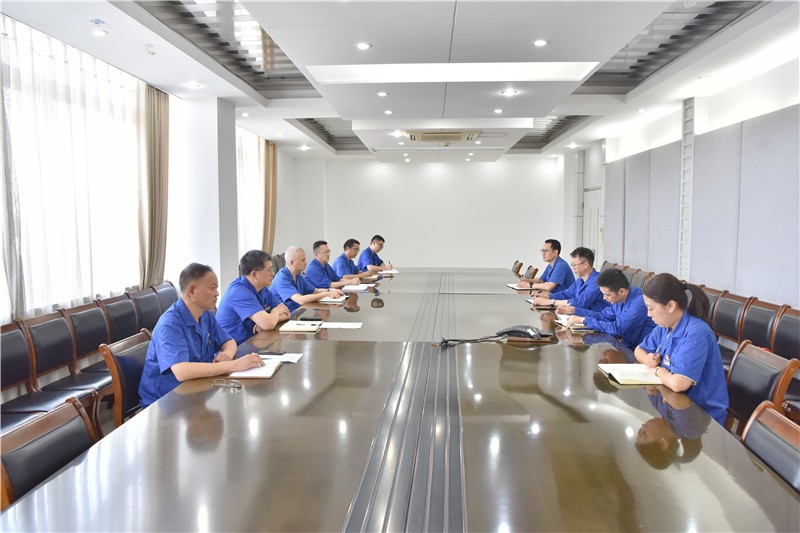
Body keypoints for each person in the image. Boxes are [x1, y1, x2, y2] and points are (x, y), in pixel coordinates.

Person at [138, 263, 266, 408]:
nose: (217, 293)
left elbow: (229, 341)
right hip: (166, 402)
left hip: (197, 389)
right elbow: (182, 371)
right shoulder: (170, 324)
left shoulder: (205, 315)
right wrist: (234, 365)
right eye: (212, 288)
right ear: (192, 290)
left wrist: (227, 355)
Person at [634, 273, 728, 426]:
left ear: (670, 306)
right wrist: (648, 360)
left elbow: (679, 384)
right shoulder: (665, 326)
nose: (648, 314)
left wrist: (657, 370)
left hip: (700, 418)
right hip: (673, 407)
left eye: (651, 308)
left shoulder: (696, 334)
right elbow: (639, 350)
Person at [566, 268, 655, 350]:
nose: (604, 298)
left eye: (607, 295)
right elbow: (602, 316)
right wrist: (576, 311)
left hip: (640, 353)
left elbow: (617, 329)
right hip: (625, 346)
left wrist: (585, 320)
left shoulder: (640, 302)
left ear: (621, 291)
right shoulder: (619, 300)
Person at [216, 250, 290, 344]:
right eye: (269, 270)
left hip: (252, 341)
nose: (273, 273)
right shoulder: (239, 292)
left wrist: (269, 319)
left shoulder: (262, 288)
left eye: (272, 269)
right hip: (233, 348)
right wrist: (274, 313)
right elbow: (268, 324)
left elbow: (287, 313)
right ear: (254, 274)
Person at [530, 247, 607, 314]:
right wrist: (548, 296)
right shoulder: (580, 280)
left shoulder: (597, 281)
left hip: (595, 320)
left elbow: (581, 303)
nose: (573, 268)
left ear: (585, 264)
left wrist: (551, 302)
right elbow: (567, 293)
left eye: (574, 265)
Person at [270, 246, 344, 312]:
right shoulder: (282, 278)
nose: (306, 263)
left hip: (296, 313)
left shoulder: (298, 276)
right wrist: (327, 294)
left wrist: (330, 290)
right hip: (282, 318)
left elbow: (315, 291)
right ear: (292, 262)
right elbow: (300, 300)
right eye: (303, 260)